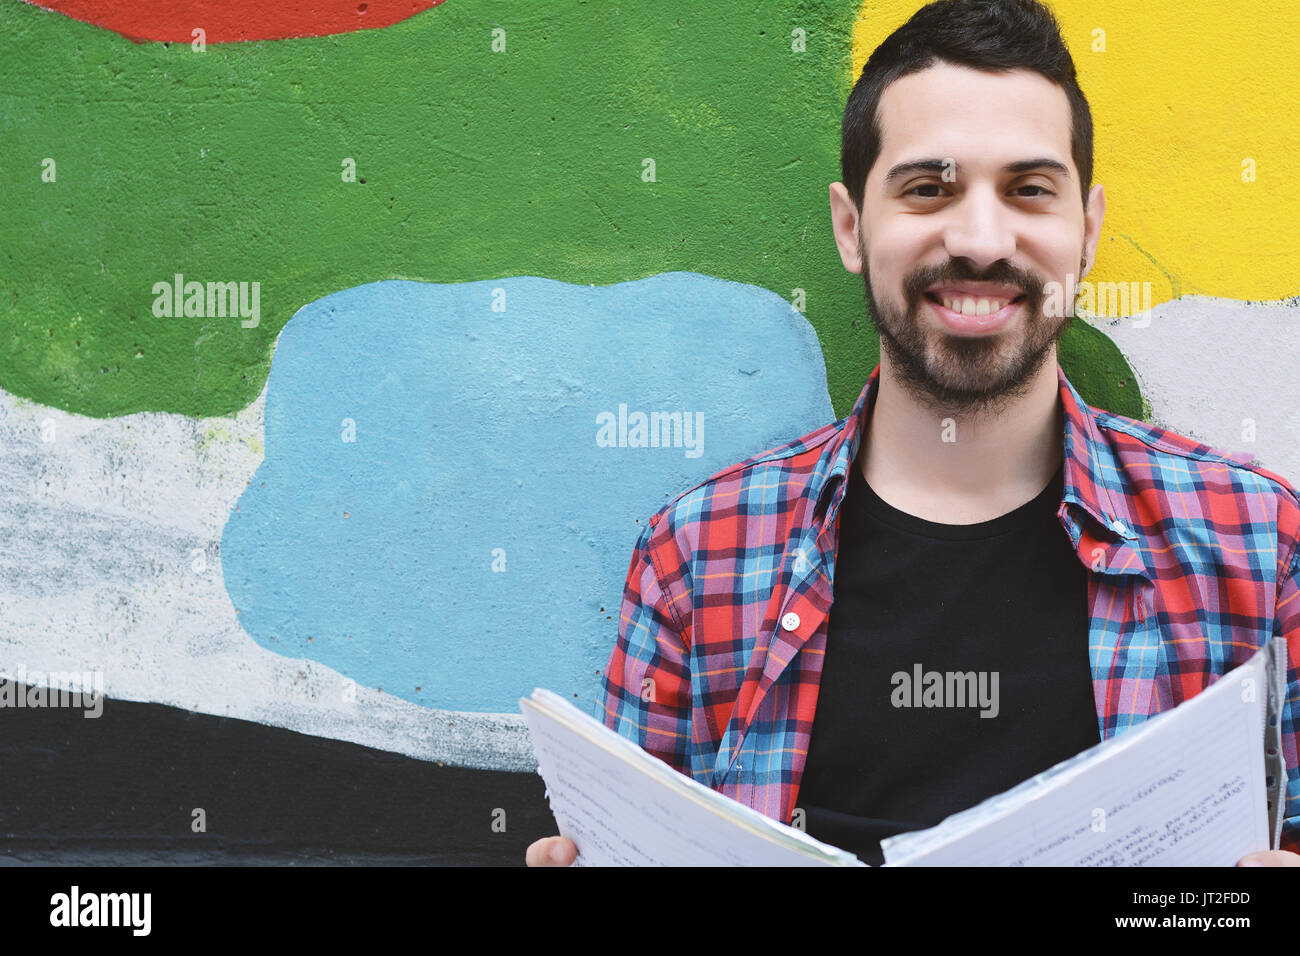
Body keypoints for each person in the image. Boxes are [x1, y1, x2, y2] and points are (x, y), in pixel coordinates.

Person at [527, 0, 1300, 867]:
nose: (978, 239)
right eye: (928, 188)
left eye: (1029, 190)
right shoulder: (695, 555)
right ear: (853, 227)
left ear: (1086, 232)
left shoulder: (1260, 544)